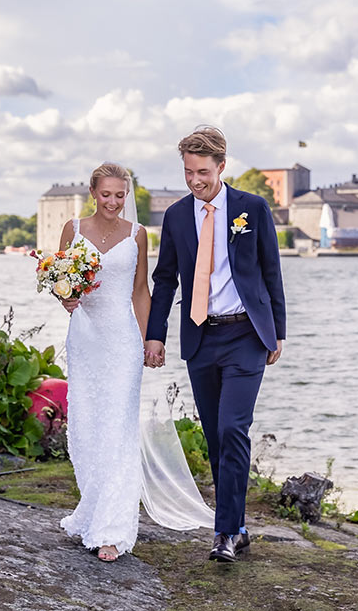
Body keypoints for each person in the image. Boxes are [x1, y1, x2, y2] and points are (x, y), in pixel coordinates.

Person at [144, 126, 286, 563]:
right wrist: (155, 333)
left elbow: (270, 270)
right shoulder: (176, 216)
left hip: (246, 334)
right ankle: (238, 526)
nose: (195, 181)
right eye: (188, 172)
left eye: (202, 172)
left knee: (232, 429)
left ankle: (223, 533)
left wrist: (278, 330)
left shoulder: (252, 209)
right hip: (201, 336)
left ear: (222, 167)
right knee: (214, 437)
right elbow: (165, 278)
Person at [54, 163, 153, 563]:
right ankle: (93, 511)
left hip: (123, 341)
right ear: (93, 192)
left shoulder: (137, 234)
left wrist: (150, 342)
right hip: (85, 337)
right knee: (88, 426)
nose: (113, 202)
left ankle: (113, 528)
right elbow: (61, 281)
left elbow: (141, 291)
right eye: (106, 194)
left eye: (120, 194)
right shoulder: (72, 229)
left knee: (117, 429)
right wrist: (65, 299)